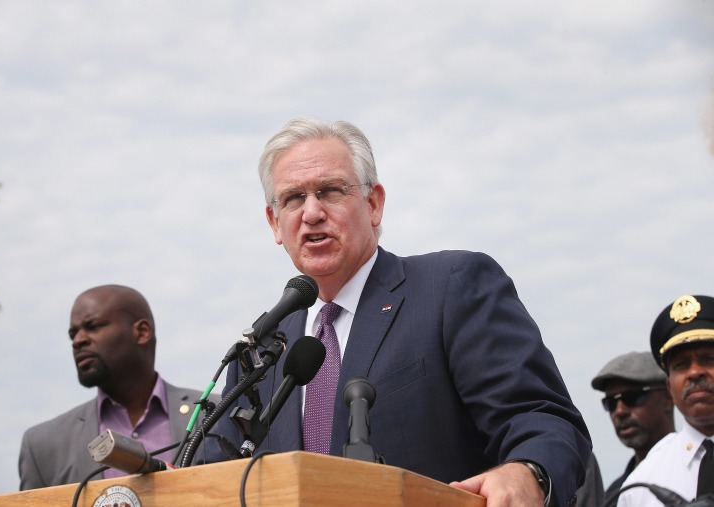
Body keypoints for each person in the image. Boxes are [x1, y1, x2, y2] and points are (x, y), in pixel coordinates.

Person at [203, 118, 592, 507]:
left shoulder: (450, 289)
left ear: (373, 204)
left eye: (330, 191)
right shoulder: (261, 351)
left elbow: (542, 419)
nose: (312, 213)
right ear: (274, 223)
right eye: (293, 199)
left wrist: (527, 471)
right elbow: (214, 476)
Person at [19, 285, 215, 489]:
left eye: (93, 326)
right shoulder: (42, 445)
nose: (77, 341)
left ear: (142, 332)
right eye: (73, 334)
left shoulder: (219, 414)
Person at [618, 294, 714, 506]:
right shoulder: (643, 484)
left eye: (708, 359)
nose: (695, 372)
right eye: (681, 364)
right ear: (669, 387)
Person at [591, 351, 675, 505]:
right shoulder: (614, 497)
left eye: (632, 398)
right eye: (611, 403)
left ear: (669, 398)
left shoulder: (703, 471)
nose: (620, 411)